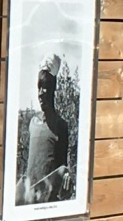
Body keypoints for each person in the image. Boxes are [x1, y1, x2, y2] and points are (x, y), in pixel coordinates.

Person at [16, 53, 79, 204]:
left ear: (53, 89)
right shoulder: (32, 123)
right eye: (39, 87)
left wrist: (66, 179)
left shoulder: (60, 126)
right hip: (27, 198)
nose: (41, 93)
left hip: (46, 200)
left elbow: (62, 169)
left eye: (46, 88)